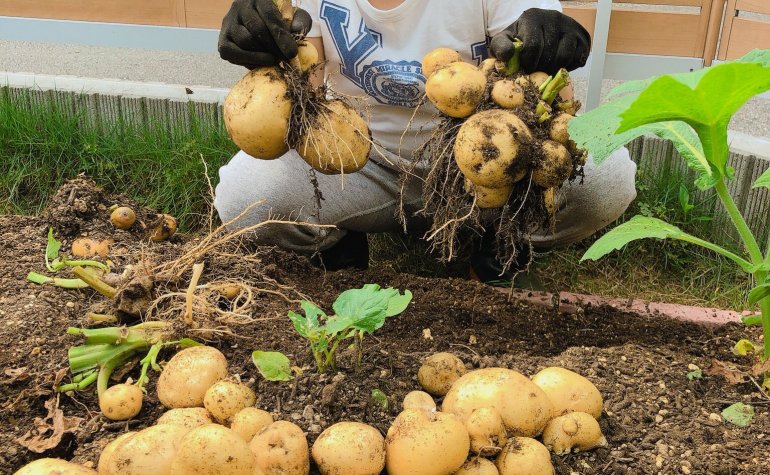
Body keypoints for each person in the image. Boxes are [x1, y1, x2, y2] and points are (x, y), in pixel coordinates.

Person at [214, 0, 637, 282]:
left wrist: (550, 51)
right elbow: (307, 81)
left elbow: (556, 109)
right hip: (362, 159)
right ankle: (339, 241)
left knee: (606, 180)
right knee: (246, 198)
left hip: (480, 165)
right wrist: (267, 46)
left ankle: (498, 233)